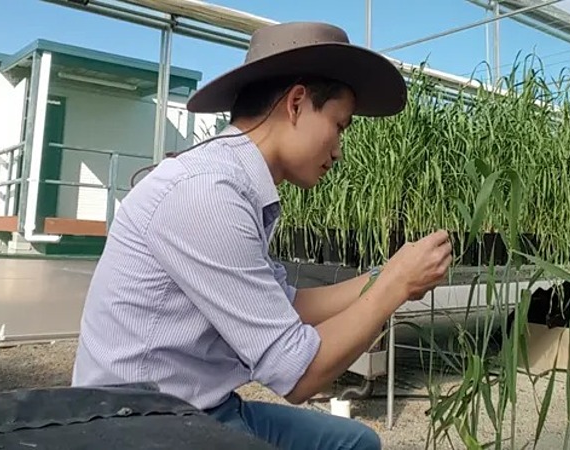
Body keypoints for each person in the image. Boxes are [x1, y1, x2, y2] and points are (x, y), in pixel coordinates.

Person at [72, 21, 453, 450]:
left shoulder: (235, 183)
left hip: (202, 409)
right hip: (140, 426)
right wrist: (395, 286)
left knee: (356, 442)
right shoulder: (207, 193)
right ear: (296, 104)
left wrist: (381, 276)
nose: (339, 149)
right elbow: (297, 375)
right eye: (339, 125)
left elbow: (288, 304)